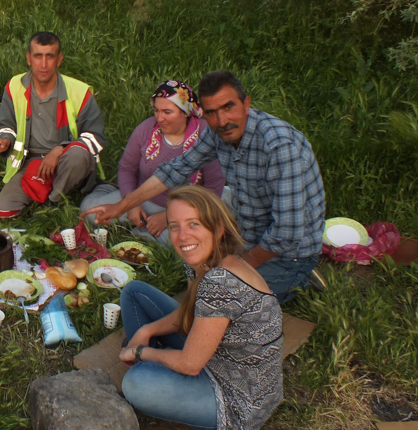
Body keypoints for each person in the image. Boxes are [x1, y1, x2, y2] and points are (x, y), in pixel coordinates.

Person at [84, 70, 325, 302]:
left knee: (217, 301)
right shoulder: (216, 132)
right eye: (212, 112)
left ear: (247, 103)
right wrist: (121, 206)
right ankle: (254, 279)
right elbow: (175, 170)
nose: (222, 120)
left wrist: (240, 267)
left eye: (229, 107)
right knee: (198, 281)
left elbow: (286, 233)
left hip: (289, 253)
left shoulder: (279, 147)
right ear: (203, 114)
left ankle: (297, 278)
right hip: (248, 235)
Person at [118, 184, 283, 430]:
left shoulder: (220, 283)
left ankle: (151, 368)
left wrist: (140, 351)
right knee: (134, 292)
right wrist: (146, 330)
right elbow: (190, 313)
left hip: (237, 403)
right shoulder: (204, 262)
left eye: (193, 224)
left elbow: (191, 364)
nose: (183, 236)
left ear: (217, 229)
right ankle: (157, 364)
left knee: (135, 384)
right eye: (174, 226)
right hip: (216, 356)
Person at [80, 80, 225, 246]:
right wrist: (131, 203)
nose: (160, 118)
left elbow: (213, 191)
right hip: (142, 199)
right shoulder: (147, 129)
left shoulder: (206, 137)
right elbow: (127, 168)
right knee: (89, 210)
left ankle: (141, 233)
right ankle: (130, 217)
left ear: (185, 112)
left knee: (178, 242)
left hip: (187, 210)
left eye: (167, 112)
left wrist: (168, 217)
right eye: (156, 110)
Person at [0, 31, 106, 218]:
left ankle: (53, 201)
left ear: (59, 59)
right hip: (30, 162)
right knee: (2, 213)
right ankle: (41, 186)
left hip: (65, 161)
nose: (43, 64)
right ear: (28, 58)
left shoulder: (79, 91)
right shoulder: (14, 86)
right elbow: (6, 124)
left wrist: (60, 149)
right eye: (38, 56)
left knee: (77, 155)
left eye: (49, 56)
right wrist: (5, 141)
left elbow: (95, 137)